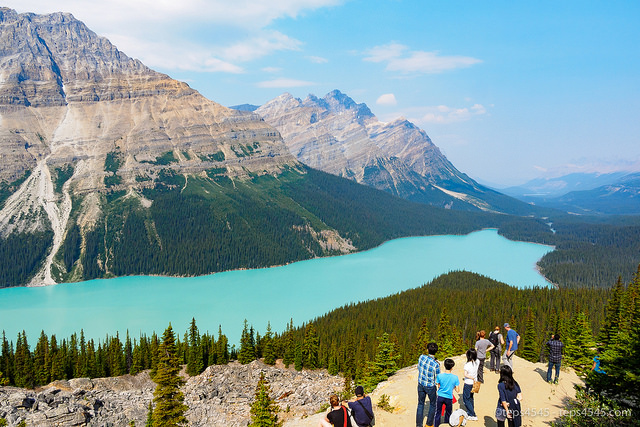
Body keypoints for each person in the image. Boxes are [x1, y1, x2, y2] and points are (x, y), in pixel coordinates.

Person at [416, 342, 440, 427]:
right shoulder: (436, 364)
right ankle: (429, 424)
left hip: (420, 383)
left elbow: (419, 368)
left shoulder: (421, 357)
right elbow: (437, 379)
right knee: (433, 404)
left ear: (427, 350)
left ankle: (419, 425)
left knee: (420, 403)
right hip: (430, 386)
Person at [434, 358, 459, 427]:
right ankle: (446, 424)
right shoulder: (455, 377)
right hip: (449, 397)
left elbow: (438, 386)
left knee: (437, 412)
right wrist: (452, 386)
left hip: (440, 396)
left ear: (444, 366)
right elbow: (457, 390)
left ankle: (436, 425)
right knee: (448, 413)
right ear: (452, 367)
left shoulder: (439, 376)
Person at [462, 349, 480, 421]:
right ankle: (470, 411)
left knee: (466, 399)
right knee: (471, 398)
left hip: (468, 383)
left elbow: (465, 374)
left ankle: (472, 414)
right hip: (475, 382)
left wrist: (470, 377)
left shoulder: (467, 365)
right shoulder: (477, 362)